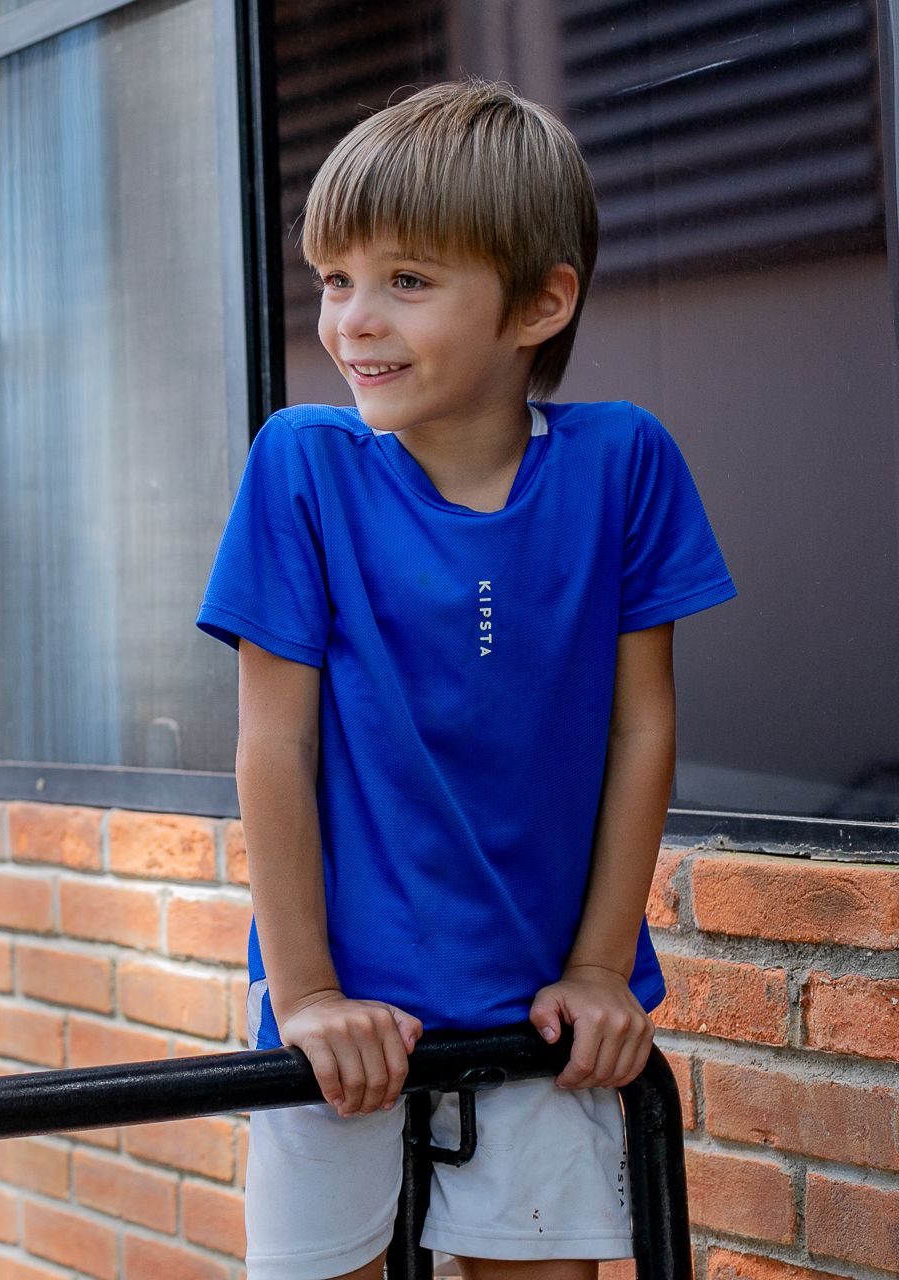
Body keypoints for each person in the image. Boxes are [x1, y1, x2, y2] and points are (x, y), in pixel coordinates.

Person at [196, 80, 734, 1280]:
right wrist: (307, 992)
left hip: (540, 1003)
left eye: (408, 281)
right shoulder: (302, 466)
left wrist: (599, 965)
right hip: (339, 999)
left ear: (541, 301)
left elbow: (640, 728)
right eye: (337, 280)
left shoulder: (623, 463)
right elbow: (271, 745)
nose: (354, 322)